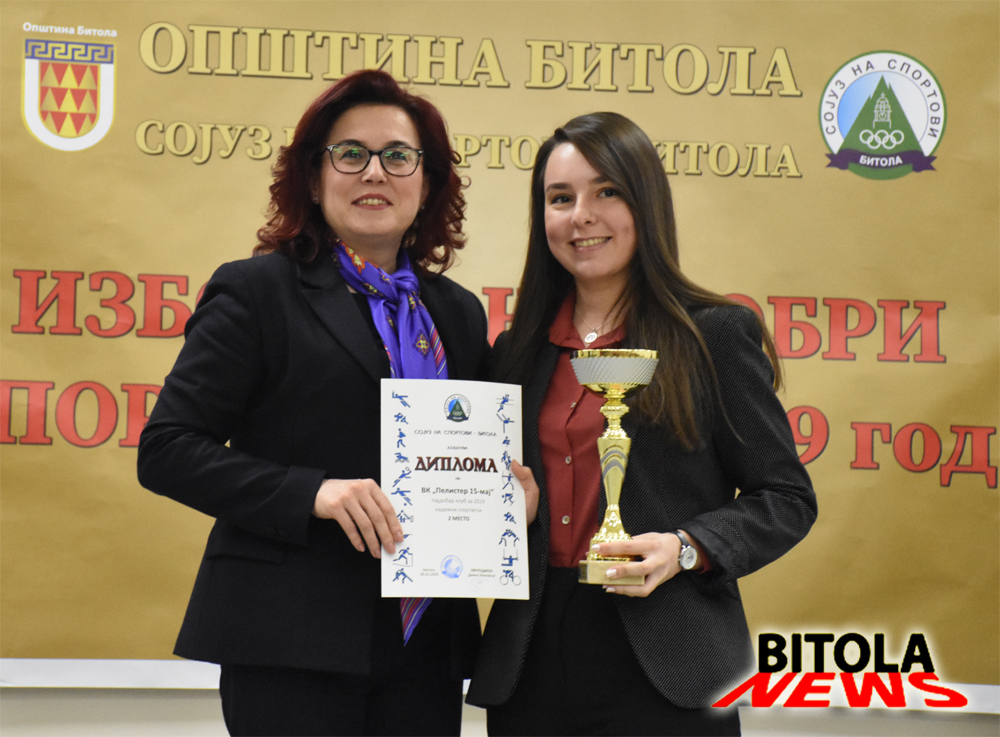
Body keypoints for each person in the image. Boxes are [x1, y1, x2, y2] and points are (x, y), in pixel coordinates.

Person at [137, 70, 489, 737]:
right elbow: (167, 449)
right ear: (314, 176)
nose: (374, 172)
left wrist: (508, 488)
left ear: (427, 181)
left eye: (398, 156)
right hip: (290, 639)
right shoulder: (257, 292)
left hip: (424, 646)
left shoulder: (458, 314)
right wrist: (314, 492)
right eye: (350, 154)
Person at [465, 112, 817, 736]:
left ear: (646, 203)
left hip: (670, 660)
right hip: (532, 656)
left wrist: (685, 548)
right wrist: (506, 510)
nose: (581, 216)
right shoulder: (517, 351)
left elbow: (787, 499)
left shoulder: (713, 336)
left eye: (607, 191)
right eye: (560, 198)